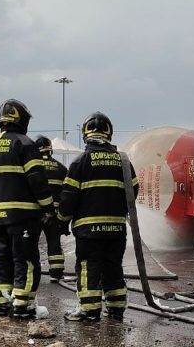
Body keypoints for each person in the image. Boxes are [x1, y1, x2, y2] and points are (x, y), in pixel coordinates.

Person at [59, 112, 138, 322]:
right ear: (109, 133)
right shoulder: (123, 161)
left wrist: (62, 219)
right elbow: (133, 191)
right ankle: (116, 308)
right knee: (113, 266)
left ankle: (89, 310)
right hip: (116, 229)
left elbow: (68, 198)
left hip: (89, 230)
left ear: (85, 134)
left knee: (88, 267)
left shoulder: (80, 162)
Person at [0, 99, 54, 318]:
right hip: (23, 217)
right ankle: (23, 306)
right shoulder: (26, 144)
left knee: (3, 260)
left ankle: (2, 303)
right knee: (26, 261)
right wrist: (48, 207)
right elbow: (37, 180)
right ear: (21, 119)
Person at [36, 135, 68, 281]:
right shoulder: (61, 169)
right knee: (54, 242)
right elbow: (67, 194)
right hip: (54, 214)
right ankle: (56, 273)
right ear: (50, 150)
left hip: (35, 213)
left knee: (31, 243)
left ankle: (33, 272)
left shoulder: (32, 167)